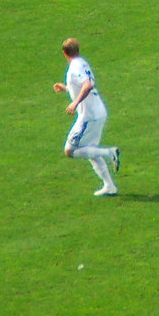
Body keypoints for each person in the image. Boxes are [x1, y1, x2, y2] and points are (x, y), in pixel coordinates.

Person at [53, 38, 120, 197]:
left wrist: (75, 103)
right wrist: (66, 89)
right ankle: (110, 186)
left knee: (70, 150)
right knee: (89, 150)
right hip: (98, 112)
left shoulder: (74, 68)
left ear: (64, 53)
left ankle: (109, 153)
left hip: (88, 116)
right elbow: (82, 84)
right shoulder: (81, 62)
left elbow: (87, 85)